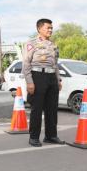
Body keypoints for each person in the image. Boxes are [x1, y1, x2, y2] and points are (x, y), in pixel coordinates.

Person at [23, 18, 64, 147]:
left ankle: (51, 135)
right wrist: (30, 82)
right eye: (48, 28)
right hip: (37, 76)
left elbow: (55, 64)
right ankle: (34, 137)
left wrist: (58, 80)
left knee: (52, 108)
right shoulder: (31, 43)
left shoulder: (53, 45)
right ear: (39, 29)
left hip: (51, 76)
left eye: (51, 28)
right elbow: (26, 63)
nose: (50, 30)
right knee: (37, 108)